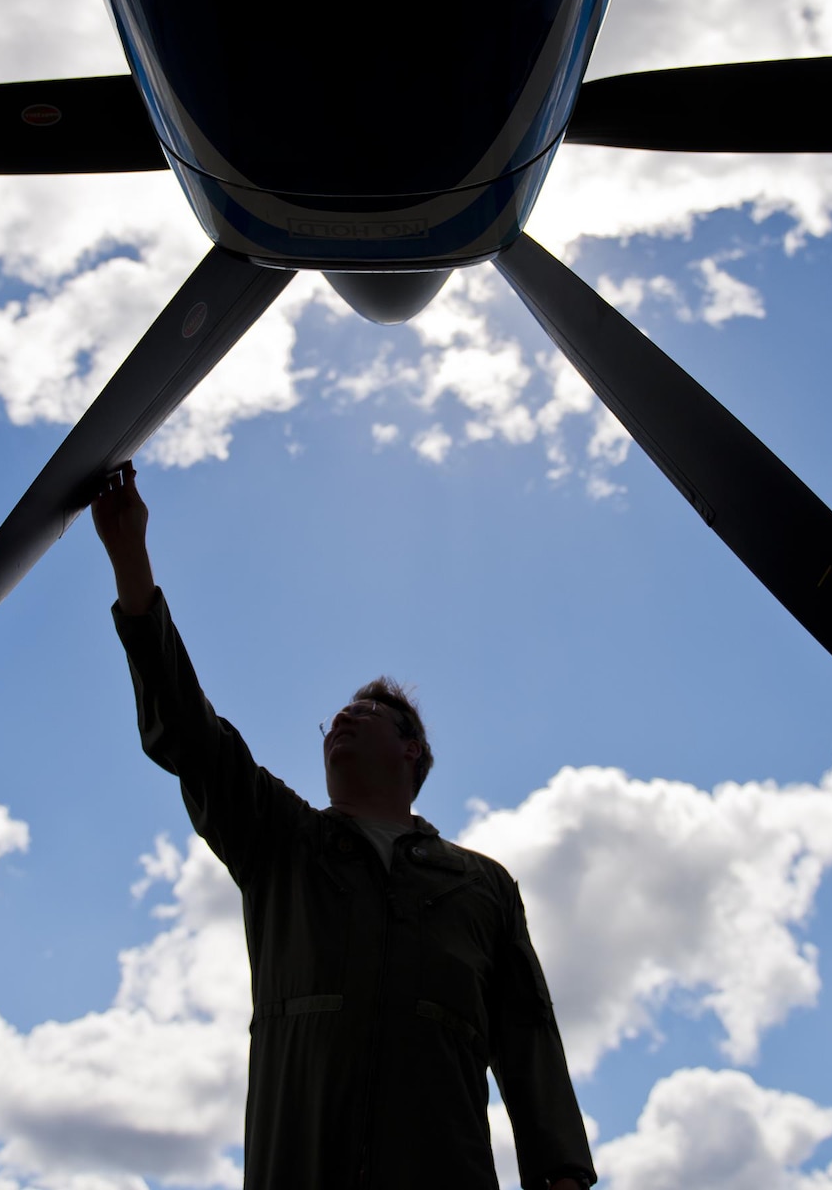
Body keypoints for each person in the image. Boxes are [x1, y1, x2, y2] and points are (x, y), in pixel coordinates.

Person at [92, 463, 595, 1190]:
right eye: (336, 717)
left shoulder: (482, 885)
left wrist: (563, 1176)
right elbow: (191, 735)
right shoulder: (281, 841)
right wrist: (129, 555)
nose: (344, 719)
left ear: (413, 749)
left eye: (372, 714)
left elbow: (529, 1036)